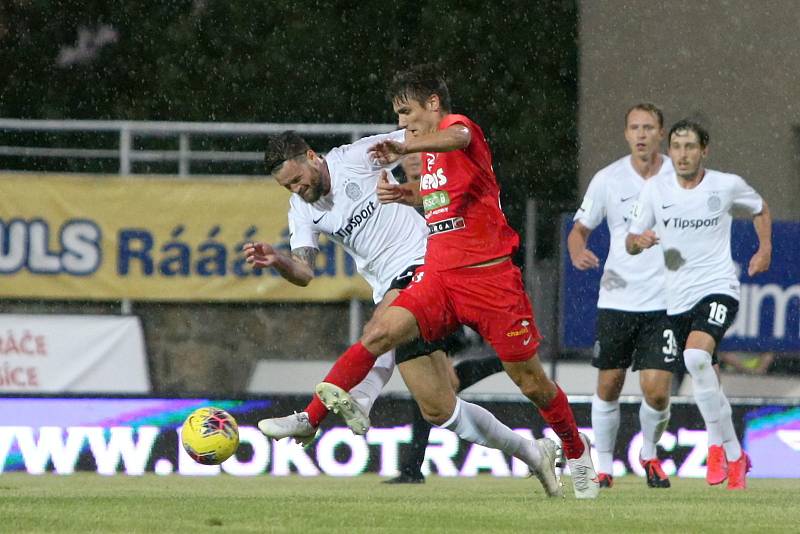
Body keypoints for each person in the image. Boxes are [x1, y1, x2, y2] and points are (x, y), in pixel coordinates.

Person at [259, 63, 598, 499]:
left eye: (406, 113)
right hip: (438, 277)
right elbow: (435, 199)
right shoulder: (425, 161)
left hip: (487, 278)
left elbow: (458, 138)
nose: (401, 125)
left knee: (531, 382)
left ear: (433, 105)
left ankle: (575, 446)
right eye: (398, 117)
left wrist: (402, 148)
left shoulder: (455, 131)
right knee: (437, 405)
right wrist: (408, 194)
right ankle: (532, 452)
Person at [626, 119, 772, 490]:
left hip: (719, 288)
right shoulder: (655, 190)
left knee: (694, 359)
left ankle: (719, 451)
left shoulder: (725, 185)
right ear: (669, 151)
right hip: (676, 301)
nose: (683, 154)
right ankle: (736, 454)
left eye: (691, 147)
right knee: (703, 368)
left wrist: (764, 248)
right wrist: (638, 242)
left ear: (703, 150)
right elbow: (631, 239)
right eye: (677, 147)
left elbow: (760, 208)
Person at [568, 103, 676, 489]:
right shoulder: (608, 179)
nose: (642, 134)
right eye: (635, 127)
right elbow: (579, 229)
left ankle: (649, 454)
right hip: (617, 300)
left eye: (649, 127)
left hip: (665, 301)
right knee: (609, 384)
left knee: (657, 390)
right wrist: (577, 250)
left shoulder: (679, 178)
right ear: (626, 134)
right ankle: (605, 466)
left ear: (661, 133)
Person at [388, 154, 505, 485]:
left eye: (418, 155)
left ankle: (412, 468)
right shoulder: (392, 196)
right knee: (440, 389)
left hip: (446, 292)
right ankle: (412, 467)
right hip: (415, 293)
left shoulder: (442, 192)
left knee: (435, 388)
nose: (412, 162)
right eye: (406, 155)